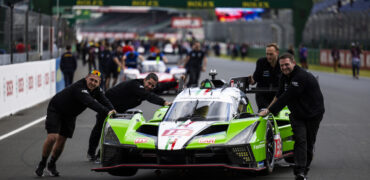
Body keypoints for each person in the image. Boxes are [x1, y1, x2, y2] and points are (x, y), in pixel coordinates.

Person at [35, 70, 116, 177]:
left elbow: (104, 99)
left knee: (62, 140)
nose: (92, 83)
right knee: (52, 137)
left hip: (70, 115)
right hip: (56, 109)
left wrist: (113, 110)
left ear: (99, 83)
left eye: (96, 82)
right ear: (86, 78)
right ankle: (42, 164)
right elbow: (90, 102)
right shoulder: (79, 87)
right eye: (91, 80)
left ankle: (51, 165)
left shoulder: (97, 90)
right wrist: (107, 112)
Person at [259, 53, 325, 180]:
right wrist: (267, 110)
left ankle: (304, 169)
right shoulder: (284, 77)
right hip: (297, 114)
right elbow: (278, 95)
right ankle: (300, 172)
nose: (284, 68)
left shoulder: (301, 76)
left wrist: (270, 111)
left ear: (293, 63)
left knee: (309, 143)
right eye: (282, 65)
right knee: (300, 140)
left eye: (286, 64)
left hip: (314, 114)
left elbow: (287, 96)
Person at [87, 73, 171, 160]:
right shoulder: (136, 85)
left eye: (152, 86)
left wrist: (176, 82)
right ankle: (91, 153)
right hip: (107, 104)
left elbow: (160, 87)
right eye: (149, 83)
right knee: (99, 128)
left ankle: (101, 155)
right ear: (145, 80)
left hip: (120, 108)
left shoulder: (148, 88)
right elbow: (148, 96)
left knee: (114, 132)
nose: (150, 86)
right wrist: (164, 102)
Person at [248, 43, 281, 111]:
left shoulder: (283, 63)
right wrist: (251, 80)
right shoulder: (261, 62)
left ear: (277, 53)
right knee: (265, 113)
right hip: (262, 95)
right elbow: (254, 80)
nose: (268, 57)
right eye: (267, 54)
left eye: (271, 54)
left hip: (278, 95)